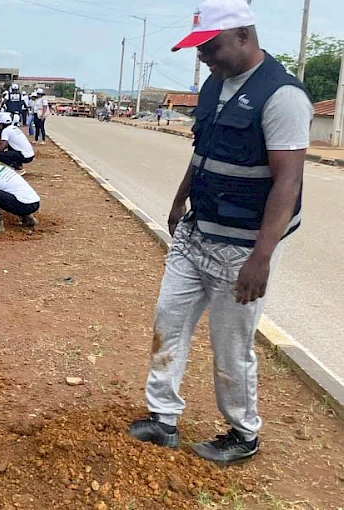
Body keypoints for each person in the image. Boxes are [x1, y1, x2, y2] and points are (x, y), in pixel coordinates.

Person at [128, 0, 313, 465]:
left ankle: (242, 433)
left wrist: (262, 257)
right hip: (196, 234)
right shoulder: (214, 86)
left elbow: (287, 182)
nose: (202, 58)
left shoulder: (283, 96)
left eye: (208, 47)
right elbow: (202, 152)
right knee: (168, 321)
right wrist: (178, 200)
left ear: (243, 37)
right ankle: (163, 418)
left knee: (231, 346)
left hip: (243, 246)